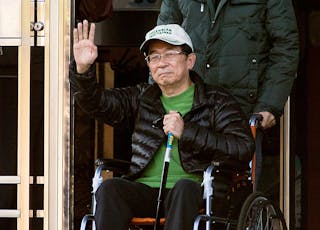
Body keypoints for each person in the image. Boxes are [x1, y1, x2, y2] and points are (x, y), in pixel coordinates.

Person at [69, 20, 255, 230]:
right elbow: (97, 103)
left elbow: (243, 148)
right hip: (146, 191)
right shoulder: (141, 98)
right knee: (110, 188)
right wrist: (83, 70)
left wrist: (187, 132)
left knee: (183, 188)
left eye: (170, 54)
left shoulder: (217, 101)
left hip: (196, 191)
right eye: (154, 56)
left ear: (190, 60)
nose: (161, 62)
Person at [157, 0, 300, 197]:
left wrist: (269, 104)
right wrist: (155, 101)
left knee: (232, 195)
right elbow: (161, 45)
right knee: (180, 190)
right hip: (189, 107)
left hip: (241, 111)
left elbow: (285, 47)